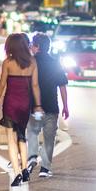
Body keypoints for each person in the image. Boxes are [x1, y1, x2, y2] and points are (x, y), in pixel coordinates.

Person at [0, 33, 44, 186]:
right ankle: (25, 169)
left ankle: (17, 173)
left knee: (11, 139)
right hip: (25, 103)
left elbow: (1, 85)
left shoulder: (8, 62)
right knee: (22, 136)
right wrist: (38, 105)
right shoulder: (32, 62)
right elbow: (35, 86)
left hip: (11, 103)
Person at [27, 33, 69, 179]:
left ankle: (32, 156)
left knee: (32, 132)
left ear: (37, 47)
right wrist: (66, 106)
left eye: (32, 44)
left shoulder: (30, 62)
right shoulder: (55, 63)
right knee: (49, 137)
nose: (30, 46)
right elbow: (62, 85)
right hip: (51, 106)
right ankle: (45, 167)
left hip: (35, 107)